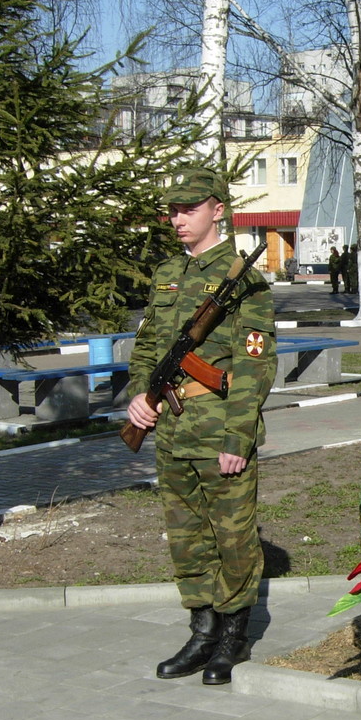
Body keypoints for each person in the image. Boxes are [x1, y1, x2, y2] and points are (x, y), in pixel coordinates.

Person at [126, 166, 278, 685]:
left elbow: (256, 365)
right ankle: (201, 632)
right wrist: (139, 399)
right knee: (187, 538)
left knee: (233, 539)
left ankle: (233, 639)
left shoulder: (243, 280)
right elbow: (148, 347)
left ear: (218, 209)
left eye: (188, 208)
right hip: (170, 427)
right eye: (171, 210)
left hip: (219, 429)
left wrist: (238, 436)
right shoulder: (168, 273)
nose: (177, 218)